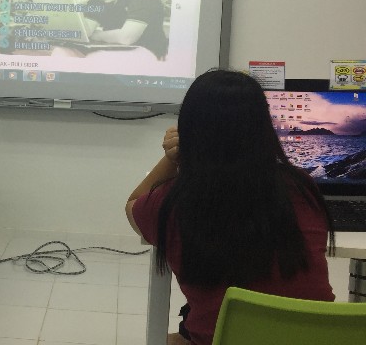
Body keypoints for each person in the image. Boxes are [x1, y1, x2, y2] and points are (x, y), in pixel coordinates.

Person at [125, 70, 335, 345]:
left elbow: (132, 206)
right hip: (319, 338)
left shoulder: (172, 202)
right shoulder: (302, 187)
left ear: (190, 130)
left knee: (162, 340)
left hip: (225, 338)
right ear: (264, 127)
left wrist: (172, 158)